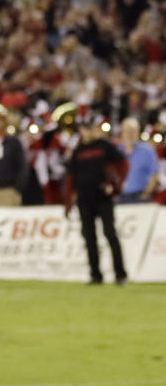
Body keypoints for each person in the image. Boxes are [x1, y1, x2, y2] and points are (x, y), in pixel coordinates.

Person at [65, 117, 130, 286]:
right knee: (89, 237)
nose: (87, 132)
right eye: (84, 129)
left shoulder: (105, 146)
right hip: (84, 200)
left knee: (110, 234)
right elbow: (72, 176)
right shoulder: (78, 150)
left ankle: (120, 274)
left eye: (89, 128)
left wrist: (116, 185)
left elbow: (123, 165)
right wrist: (69, 199)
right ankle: (95, 275)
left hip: (103, 197)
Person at [118, 118, 159, 203]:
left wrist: (146, 194)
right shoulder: (117, 151)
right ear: (122, 132)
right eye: (127, 131)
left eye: (132, 131)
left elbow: (155, 175)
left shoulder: (147, 150)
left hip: (140, 196)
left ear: (138, 132)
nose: (129, 134)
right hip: (120, 196)